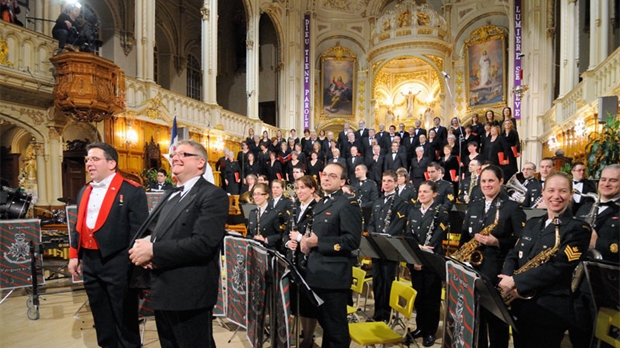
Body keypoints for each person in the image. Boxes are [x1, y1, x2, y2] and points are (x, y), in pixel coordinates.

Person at [128, 140, 228, 348]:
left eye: (183, 154)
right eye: (174, 154)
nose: (175, 157)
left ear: (200, 162)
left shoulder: (212, 194)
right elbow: (157, 231)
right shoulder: (172, 194)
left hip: (189, 292)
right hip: (163, 288)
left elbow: (203, 243)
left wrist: (153, 251)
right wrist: (146, 247)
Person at [68, 142, 148, 348]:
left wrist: (132, 265)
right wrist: (74, 255)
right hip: (90, 262)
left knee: (125, 319)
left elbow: (138, 232)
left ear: (111, 163)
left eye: (95, 159)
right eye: (87, 159)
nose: (89, 163)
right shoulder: (84, 190)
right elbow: (79, 226)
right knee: (101, 316)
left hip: (119, 262)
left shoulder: (132, 191)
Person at [498, 172, 590, 348]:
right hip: (520, 305)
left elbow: (558, 268)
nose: (556, 196)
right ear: (543, 192)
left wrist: (516, 281)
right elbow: (513, 253)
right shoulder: (533, 222)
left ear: (571, 194)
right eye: (551, 190)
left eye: (563, 191)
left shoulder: (578, 228)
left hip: (548, 310)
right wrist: (507, 278)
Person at [457, 165, 525, 348]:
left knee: (496, 324)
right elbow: (465, 236)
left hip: (496, 271)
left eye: (491, 181)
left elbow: (522, 242)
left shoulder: (512, 207)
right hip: (472, 271)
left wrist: (497, 242)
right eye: (483, 181)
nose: (487, 185)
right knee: (475, 319)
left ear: (501, 181)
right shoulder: (474, 205)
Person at [300, 163, 362, 347]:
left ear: (343, 181)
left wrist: (319, 243)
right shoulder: (323, 202)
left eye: (333, 176)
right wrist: (306, 242)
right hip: (316, 273)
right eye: (324, 174)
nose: (326, 178)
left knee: (336, 331)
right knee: (326, 326)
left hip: (333, 277)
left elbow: (351, 241)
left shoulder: (347, 203)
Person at [406, 180, 450, 347]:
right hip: (416, 260)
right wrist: (416, 252)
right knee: (419, 297)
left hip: (431, 261)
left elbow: (437, 237)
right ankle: (420, 327)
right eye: (420, 191)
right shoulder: (414, 211)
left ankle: (430, 331)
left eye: (425, 191)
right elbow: (409, 234)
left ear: (434, 194)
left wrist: (423, 253)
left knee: (431, 298)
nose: (421, 194)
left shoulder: (441, 212)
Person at [366, 170, 408, 322]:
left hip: (389, 248)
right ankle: (377, 312)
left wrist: (384, 238)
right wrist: (372, 235)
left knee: (388, 282)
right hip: (376, 248)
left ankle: (386, 314)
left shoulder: (401, 203)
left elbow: (398, 225)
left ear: (396, 183)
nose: (386, 184)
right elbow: (371, 222)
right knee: (377, 281)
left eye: (390, 181)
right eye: (384, 181)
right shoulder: (377, 202)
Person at [286, 175, 320, 348]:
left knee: (308, 305)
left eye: (303, 188)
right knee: (298, 303)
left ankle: (308, 338)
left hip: (309, 262)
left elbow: (316, 235)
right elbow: (287, 231)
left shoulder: (317, 208)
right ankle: (302, 336)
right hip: (294, 261)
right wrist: (288, 241)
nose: (299, 191)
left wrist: (299, 238)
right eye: (297, 188)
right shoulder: (296, 207)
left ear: (312, 189)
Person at [245, 183, 288, 252]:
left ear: (267, 195)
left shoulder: (275, 213)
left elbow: (281, 234)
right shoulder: (252, 213)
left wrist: (266, 240)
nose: (256, 197)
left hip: (269, 250)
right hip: (253, 250)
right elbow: (249, 232)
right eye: (254, 194)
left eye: (259, 194)